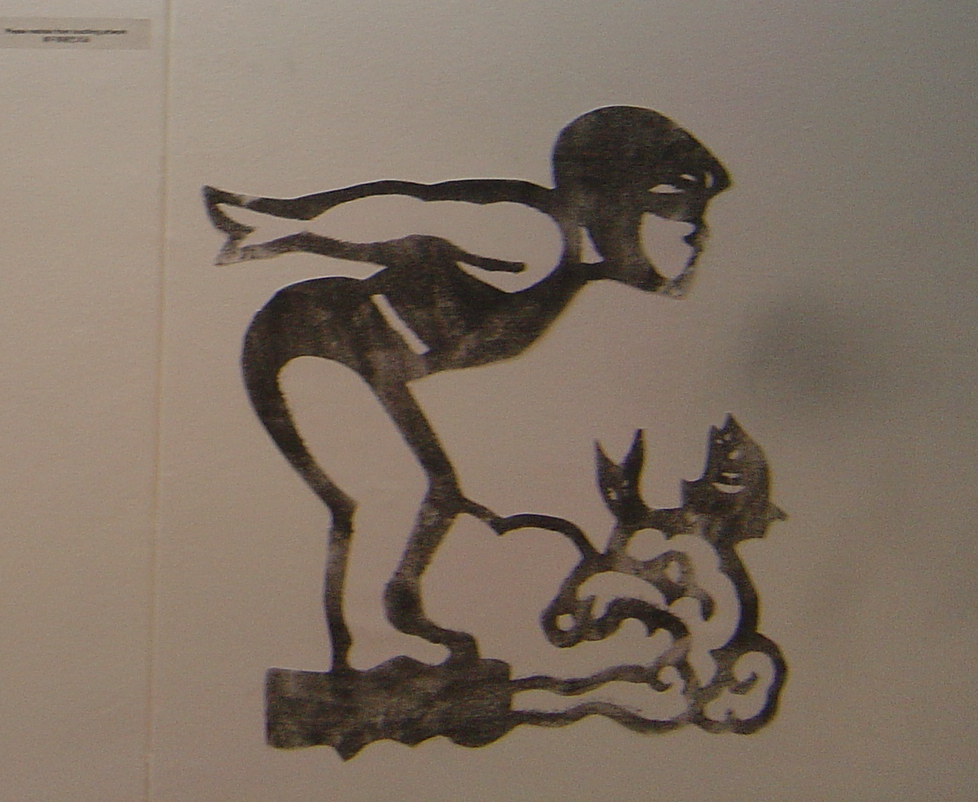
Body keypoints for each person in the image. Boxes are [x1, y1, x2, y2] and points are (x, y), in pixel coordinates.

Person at [204, 107, 730, 676]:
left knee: (434, 491)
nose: (699, 238)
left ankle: (396, 617)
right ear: (619, 201)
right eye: (684, 218)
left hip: (361, 356)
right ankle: (365, 648)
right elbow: (410, 211)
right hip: (310, 338)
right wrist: (281, 225)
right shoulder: (538, 236)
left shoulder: (573, 267)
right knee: (397, 492)